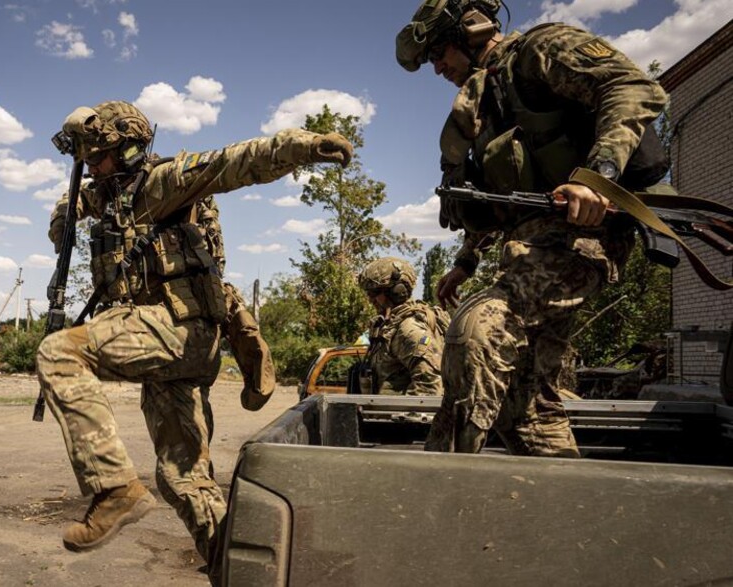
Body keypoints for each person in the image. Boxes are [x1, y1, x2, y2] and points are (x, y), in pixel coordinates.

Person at [37, 100, 352, 561]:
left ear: (128, 148)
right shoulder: (106, 192)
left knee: (59, 352)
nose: (90, 166)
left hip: (181, 331)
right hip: (164, 345)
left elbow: (235, 161)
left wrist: (303, 146)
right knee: (181, 477)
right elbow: (69, 207)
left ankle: (113, 489)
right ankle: (235, 567)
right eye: (84, 157)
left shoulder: (163, 182)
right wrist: (63, 215)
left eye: (97, 155)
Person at [395, 0, 670, 456]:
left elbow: (631, 87)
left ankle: (441, 485)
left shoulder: (539, 51)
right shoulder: (483, 105)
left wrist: (597, 178)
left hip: (584, 237)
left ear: (472, 30)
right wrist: (465, 262)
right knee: (525, 401)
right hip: (532, 244)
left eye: (440, 51)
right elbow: (499, 196)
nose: (437, 66)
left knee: (478, 330)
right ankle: (560, 499)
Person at [357, 257, 448, 396]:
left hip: (400, 416)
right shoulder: (389, 325)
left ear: (397, 291)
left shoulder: (409, 329)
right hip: (383, 415)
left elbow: (430, 388)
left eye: (374, 293)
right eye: (368, 293)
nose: (370, 299)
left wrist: (402, 416)